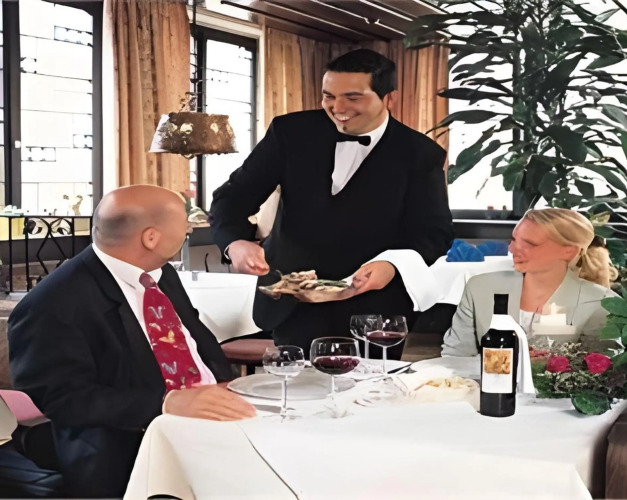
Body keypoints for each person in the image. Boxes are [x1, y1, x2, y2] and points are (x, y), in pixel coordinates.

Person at [8, 185, 256, 498]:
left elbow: (194, 342)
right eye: (185, 222)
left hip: (211, 423)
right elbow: (62, 399)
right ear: (151, 238)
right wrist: (166, 403)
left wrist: (223, 386)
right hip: (129, 449)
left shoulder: (160, 273)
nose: (190, 229)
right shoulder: (52, 303)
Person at [210, 49, 454, 354]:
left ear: (389, 98)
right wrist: (235, 243)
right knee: (295, 384)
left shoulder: (421, 154)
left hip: (375, 311)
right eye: (329, 96)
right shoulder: (290, 133)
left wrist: (391, 265)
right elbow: (231, 198)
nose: (338, 108)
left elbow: (434, 233)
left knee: (371, 385)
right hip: (293, 301)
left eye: (352, 97)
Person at [442, 208, 618, 357]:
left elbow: (602, 369)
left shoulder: (600, 302)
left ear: (568, 252)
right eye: (514, 239)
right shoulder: (480, 288)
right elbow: (455, 356)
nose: (512, 249)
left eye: (530, 244)